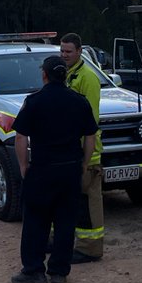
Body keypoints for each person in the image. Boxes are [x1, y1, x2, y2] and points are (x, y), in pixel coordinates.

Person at [11, 54, 98, 283]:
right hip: (70, 171)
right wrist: (83, 163)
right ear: (65, 75)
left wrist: (23, 165)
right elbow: (90, 136)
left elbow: (20, 136)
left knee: (35, 222)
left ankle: (33, 271)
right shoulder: (79, 101)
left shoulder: (34, 101)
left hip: (42, 170)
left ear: (44, 75)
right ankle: (59, 273)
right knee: (65, 223)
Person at [59, 32, 104, 262]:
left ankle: (90, 249)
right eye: (62, 51)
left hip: (88, 152)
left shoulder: (87, 77)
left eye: (68, 51)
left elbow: (90, 121)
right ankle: (65, 242)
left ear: (79, 52)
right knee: (68, 201)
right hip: (68, 150)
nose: (64, 55)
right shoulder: (65, 74)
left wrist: (87, 157)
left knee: (88, 202)